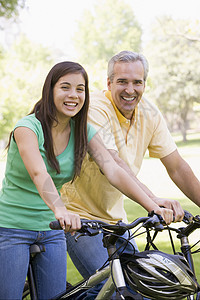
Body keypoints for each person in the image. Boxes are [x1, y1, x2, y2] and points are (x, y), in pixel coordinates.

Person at [0, 60, 175, 300]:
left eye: (80, 89)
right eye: (65, 87)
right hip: (12, 228)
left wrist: (152, 205)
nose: (73, 95)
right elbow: (39, 173)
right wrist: (61, 210)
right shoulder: (27, 128)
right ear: (50, 90)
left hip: (51, 230)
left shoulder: (82, 130)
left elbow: (112, 169)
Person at [61, 51, 200, 298]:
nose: (130, 89)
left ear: (145, 83)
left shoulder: (150, 113)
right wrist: (153, 201)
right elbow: (113, 163)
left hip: (118, 221)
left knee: (144, 287)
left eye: (137, 82)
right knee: (114, 291)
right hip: (79, 218)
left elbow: (177, 166)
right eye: (122, 82)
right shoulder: (95, 109)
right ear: (109, 83)